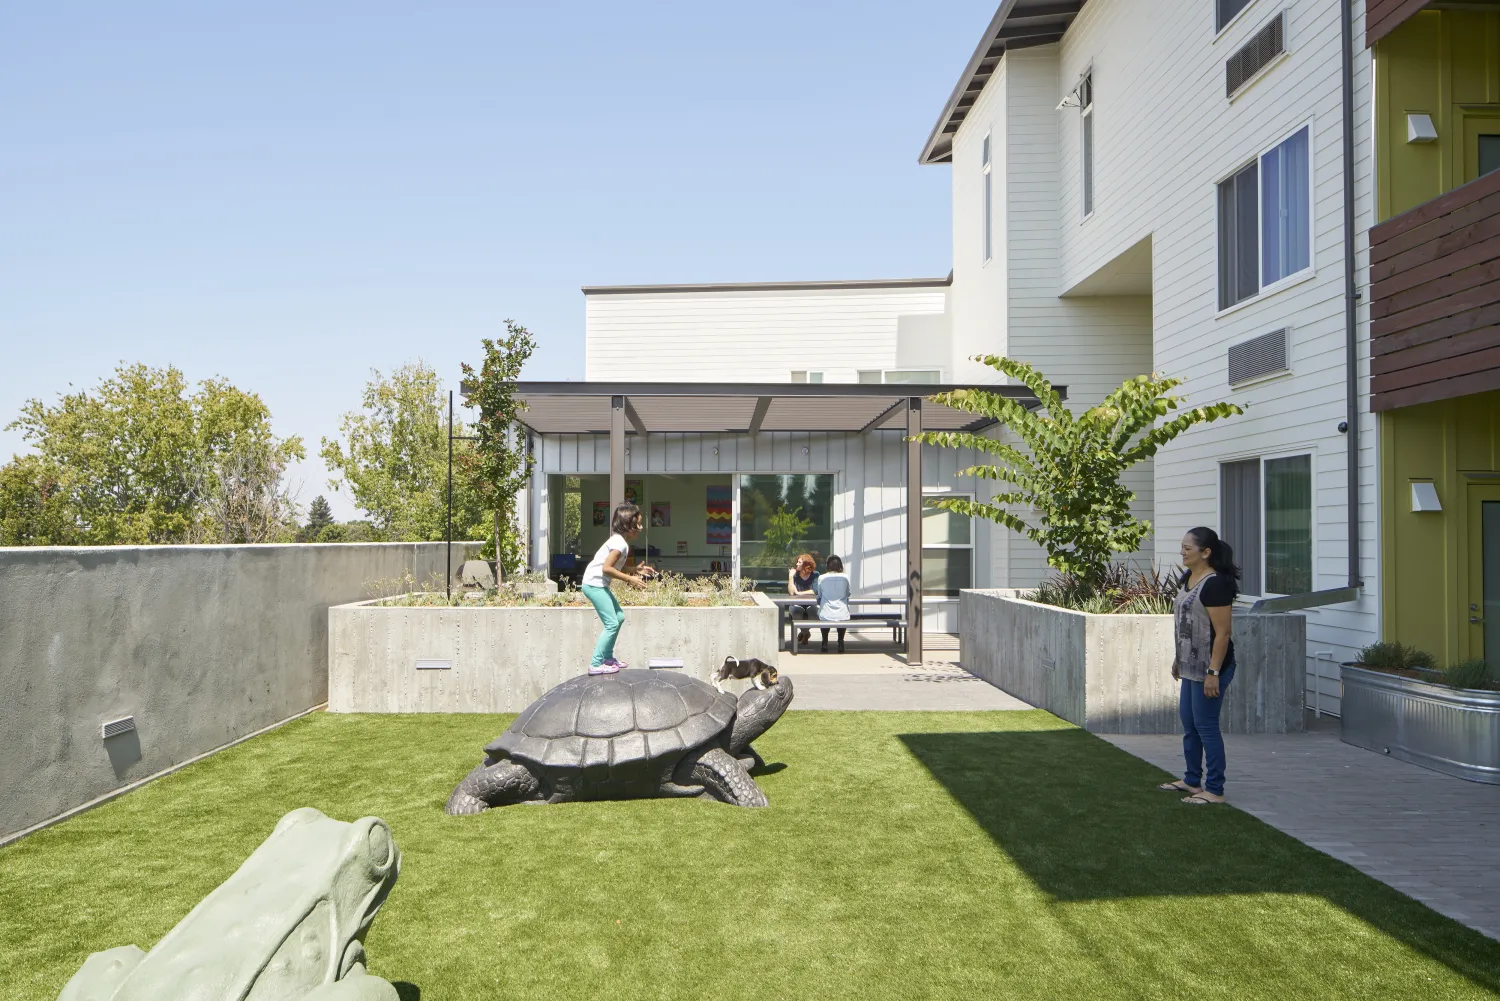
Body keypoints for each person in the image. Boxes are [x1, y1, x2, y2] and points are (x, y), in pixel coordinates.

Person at [1158, 526, 1239, 805]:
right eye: (1182, 546)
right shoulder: (1188, 577)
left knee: (1206, 726)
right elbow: (1187, 625)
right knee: (1190, 724)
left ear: (1206, 553)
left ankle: (1215, 790)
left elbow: (1223, 633)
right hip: (1190, 666)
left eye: (1187, 548)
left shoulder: (1215, 584)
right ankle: (1192, 780)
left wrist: (1213, 673)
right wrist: (1178, 659)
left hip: (1212, 667)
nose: (1182, 551)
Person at [581, 503, 653, 675]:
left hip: (598, 584)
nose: (641, 528)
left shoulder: (621, 542)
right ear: (628, 525)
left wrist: (635, 570)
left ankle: (607, 657)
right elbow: (607, 568)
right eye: (638, 524)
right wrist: (630, 579)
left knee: (618, 617)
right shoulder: (619, 544)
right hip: (593, 584)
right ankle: (596, 664)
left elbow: (614, 567)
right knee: (611, 623)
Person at [813, 554, 852, 653]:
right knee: (841, 618)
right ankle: (840, 642)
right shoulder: (845, 577)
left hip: (826, 612)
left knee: (825, 617)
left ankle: (825, 642)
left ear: (827, 566)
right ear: (840, 565)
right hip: (842, 612)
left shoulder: (822, 578)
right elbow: (848, 593)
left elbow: (820, 594)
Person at [787, 553, 820, 646]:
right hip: (797, 604)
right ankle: (806, 634)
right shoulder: (795, 576)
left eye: (799, 562)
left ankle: (803, 632)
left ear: (806, 565)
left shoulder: (815, 575)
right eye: (797, 562)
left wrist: (799, 593)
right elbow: (791, 592)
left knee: (814, 612)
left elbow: (815, 591)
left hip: (812, 604)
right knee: (796, 611)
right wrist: (790, 577)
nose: (796, 564)